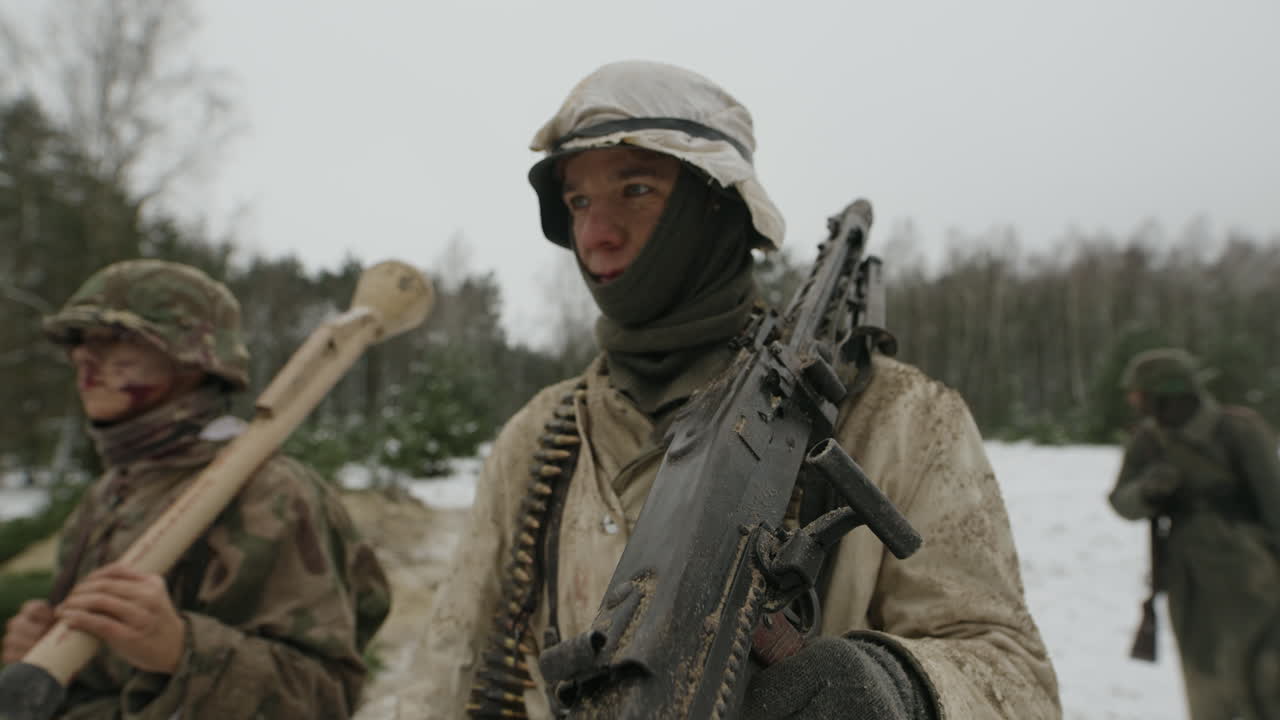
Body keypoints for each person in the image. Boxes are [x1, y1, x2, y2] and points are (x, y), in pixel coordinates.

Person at [392, 60, 1059, 719]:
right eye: (577, 202)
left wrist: (898, 688)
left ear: (715, 204)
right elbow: (447, 668)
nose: (595, 236)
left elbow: (1012, 677)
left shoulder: (899, 418)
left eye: (635, 190)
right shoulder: (543, 434)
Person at [1, 260, 391, 719]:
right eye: (80, 340)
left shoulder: (271, 493)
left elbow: (324, 699)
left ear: (193, 358)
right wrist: (46, 660)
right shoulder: (114, 489)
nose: (84, 356)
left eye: (117, 338)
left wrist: (180, 650)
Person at [1109, 348, 1280, 720]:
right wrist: (1147, 492)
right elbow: (1121, 502)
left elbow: (1274, 503)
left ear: (1165, 393)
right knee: (1206, 679)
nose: (1133, 400)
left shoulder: (1239, 430)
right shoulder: (1149, 441)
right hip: (1188, 578)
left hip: (1254, 575)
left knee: (1266, 677)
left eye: (1139, 392)